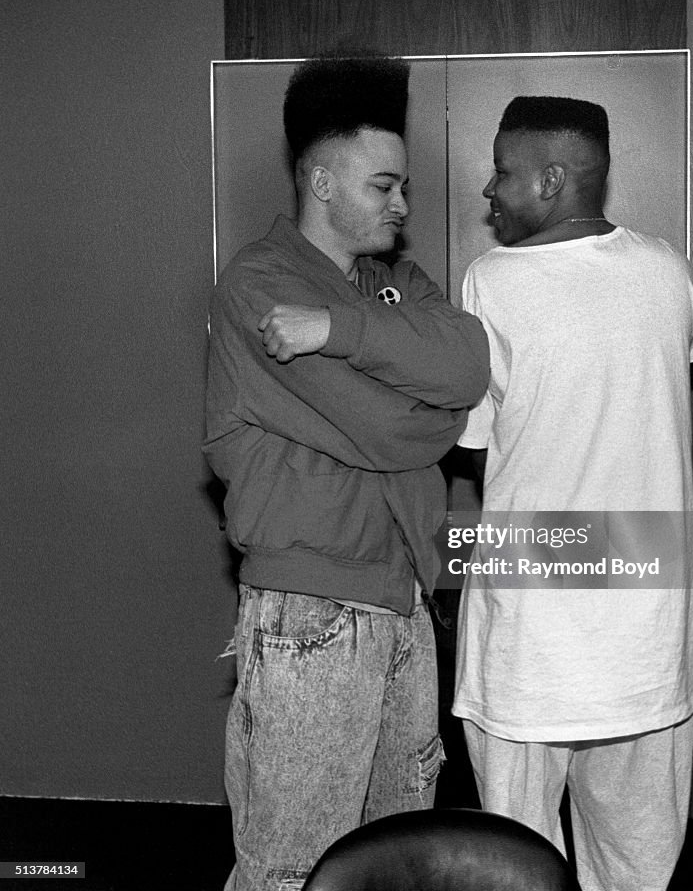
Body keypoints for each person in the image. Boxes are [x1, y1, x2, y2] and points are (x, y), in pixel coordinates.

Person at [203, 54, 490, 891]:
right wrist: (424, 409)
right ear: (321, 182)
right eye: (383, 186)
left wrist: (339, 328)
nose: (402, 206)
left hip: (402, 603)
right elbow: (396, 428)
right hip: (311, 612)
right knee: (290, 869)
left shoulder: (394, 282)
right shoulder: (256, 284)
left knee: (392, 865)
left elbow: (466, 369)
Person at [452, 96, 693, 891]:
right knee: (637, 865)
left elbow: (473, 443)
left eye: (503, 171)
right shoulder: (670, 270)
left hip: (531, 631)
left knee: (514, 862)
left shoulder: (491, 282)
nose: (490, 190)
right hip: (649, 626)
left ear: (553, 177)